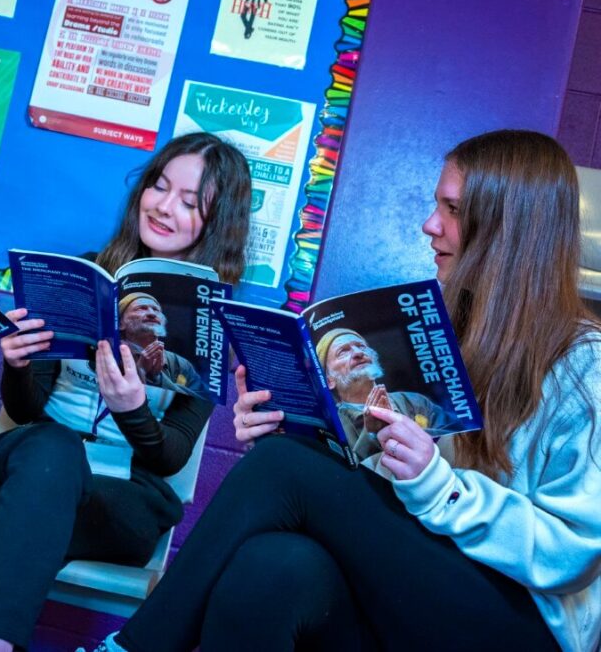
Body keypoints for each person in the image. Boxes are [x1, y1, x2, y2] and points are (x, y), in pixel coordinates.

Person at [91, 130, 601, 652]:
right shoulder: (452, 332)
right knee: (269, 568)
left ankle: (134, 647)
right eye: (435, 205)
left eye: (451, 208)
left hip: (525, 627)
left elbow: (573, 555)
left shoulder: (585, 365)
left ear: (506, 230)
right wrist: (293, 426)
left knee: (284, 468)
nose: (429, 225)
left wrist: (437, 484)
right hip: (421, 588)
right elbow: (395, 496)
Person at [0, 132, 252, 652]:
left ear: (217, 223)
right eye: (158, 187)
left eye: (188, 202)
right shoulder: (83, 274)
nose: (162, 206)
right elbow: (26, 410)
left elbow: (171, 456)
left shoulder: (213, 324)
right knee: (53, 448)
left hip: (123, 501)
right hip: (36, 458)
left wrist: (133, 410)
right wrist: (19, 365)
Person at [316, 327, 450, 460]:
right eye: (343, 352)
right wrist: (372, 435)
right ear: (329, 381)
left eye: (362, 346)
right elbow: (347, 474)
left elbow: (454, 436)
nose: (358, 353)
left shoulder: (415, 401)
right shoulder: (332, 427)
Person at [118, 291, 207, 399]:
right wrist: (139, 371)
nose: (152, 313)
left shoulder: (180, 363)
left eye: (156, 310)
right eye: (141, 308)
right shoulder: (110, 355)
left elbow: (202, 401)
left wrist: (158, 379)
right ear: (121, 324)